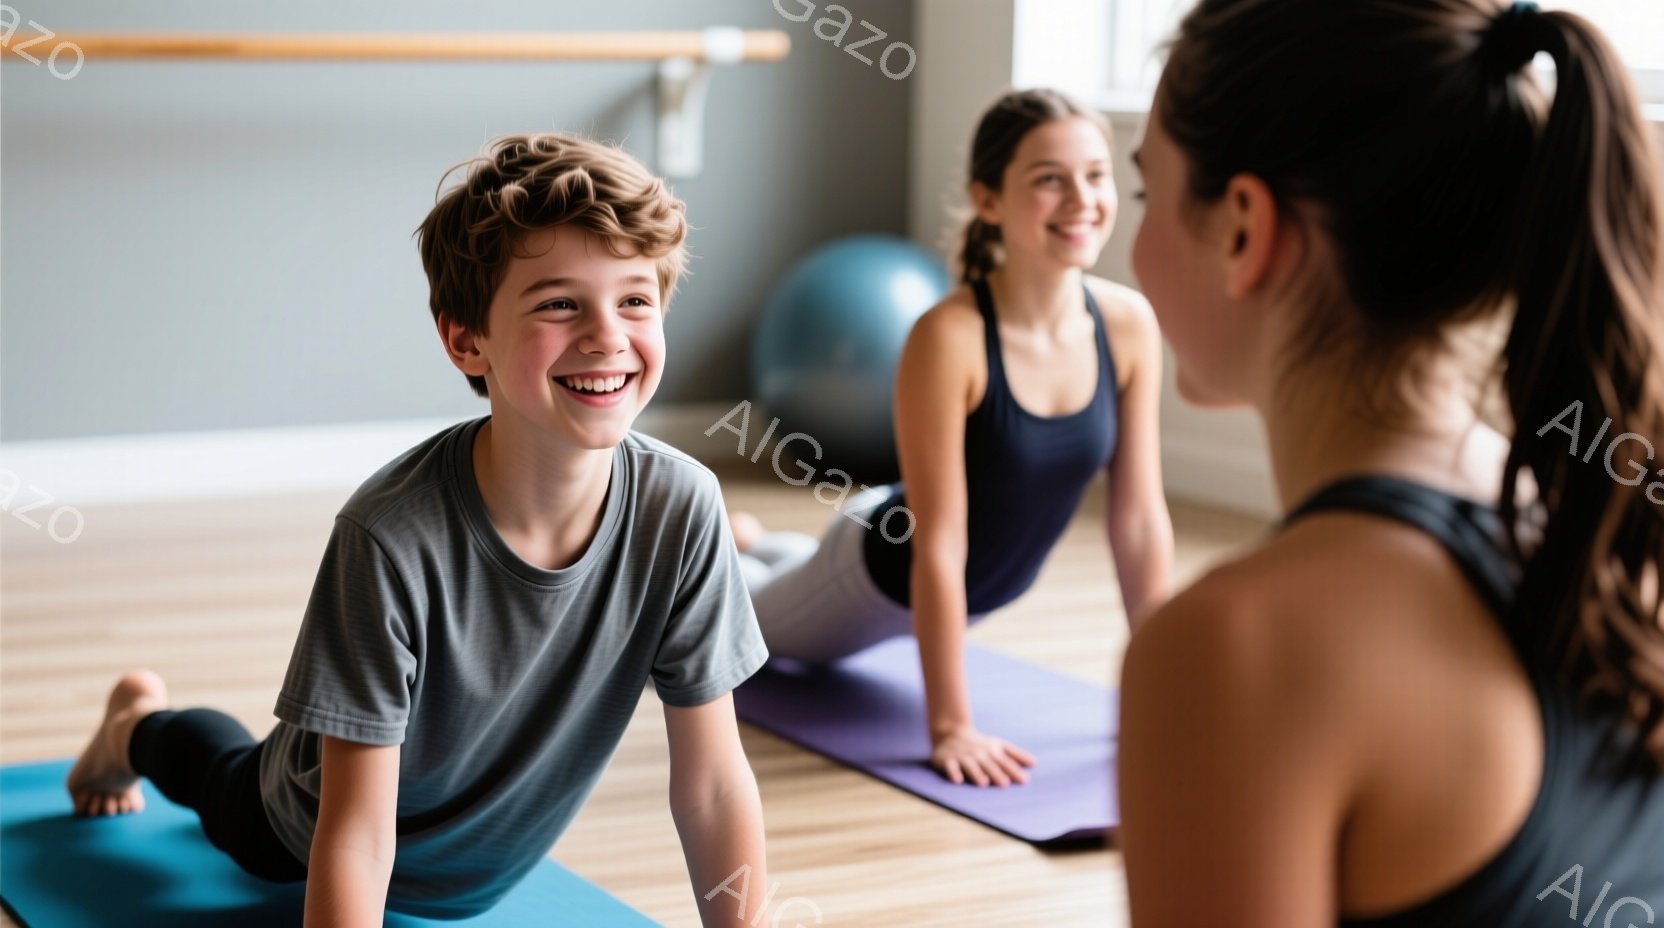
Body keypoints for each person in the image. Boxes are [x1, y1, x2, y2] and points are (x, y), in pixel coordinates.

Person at [64, 133, 771, 926]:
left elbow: (711, 787)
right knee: (232, 795)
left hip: (477, 863)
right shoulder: (390, 536)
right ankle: (132, 726)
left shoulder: (684, 508)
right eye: (559, 303)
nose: (608, 334)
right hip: (307, 826)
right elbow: (357, 835)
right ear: (467, 339)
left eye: (635, 298)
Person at [1118, 1, 1664, 924]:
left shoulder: (1238, 647)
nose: (1127, 244)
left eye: (1145, 193)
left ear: (1244, 228)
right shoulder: (1597, 520)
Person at [732, 88, 1174, 788]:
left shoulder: (1128, 325)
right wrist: (950, 726)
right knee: (749, 627)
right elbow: (939, 541)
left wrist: (1162, 693)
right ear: (989, 200)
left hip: (956, 578)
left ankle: (752, 540)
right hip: (880, 574)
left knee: (789, 571)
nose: (1081, 198)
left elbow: (1139, 518)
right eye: (1048, 179)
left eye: (1095, 174)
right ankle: (716, 555)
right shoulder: (951, 336)